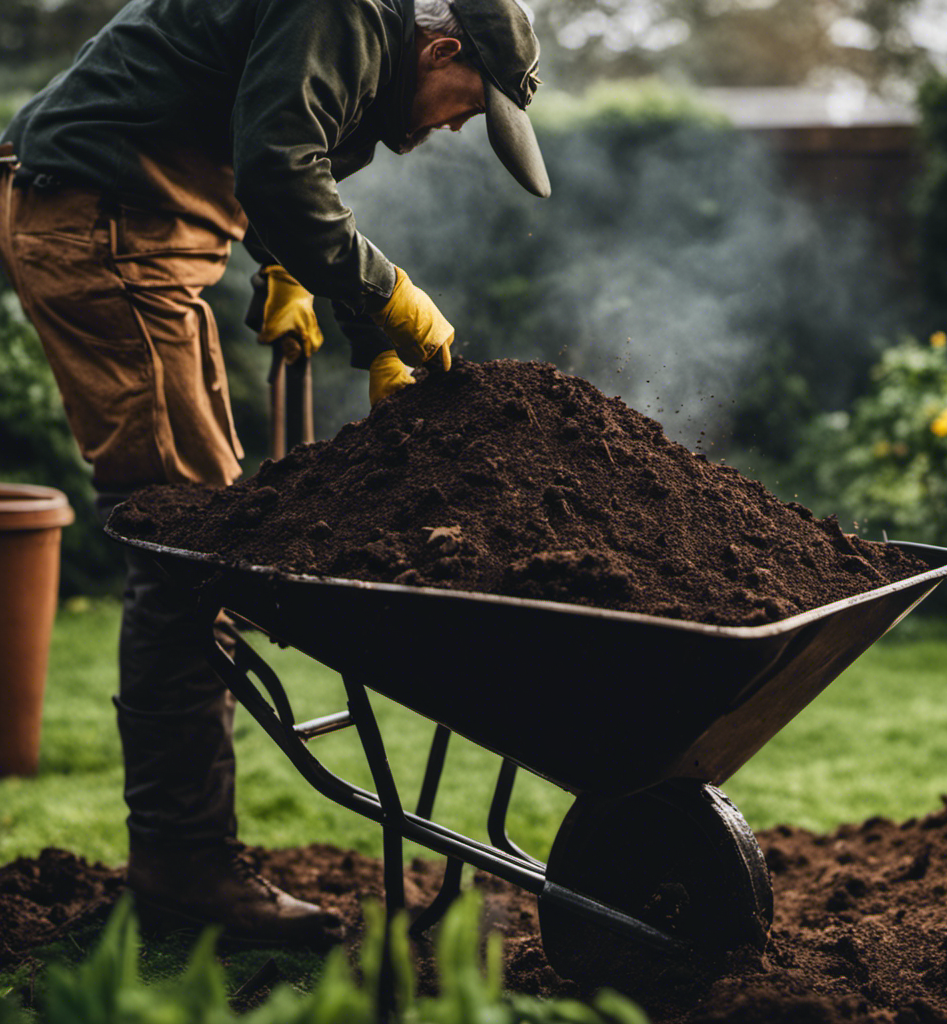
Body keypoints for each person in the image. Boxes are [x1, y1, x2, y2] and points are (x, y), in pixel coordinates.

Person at [0, 0, 550, 945]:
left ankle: (183, 855)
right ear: (444, 48)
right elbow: (278, 164)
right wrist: (391, 295)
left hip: (141, 228)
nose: (460, 125)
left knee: (198, 527)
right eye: (472, 104)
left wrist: (314, 286)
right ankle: (183, 866)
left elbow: (261, 139)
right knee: (180, 542)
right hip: (109, 223)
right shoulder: (339, 8)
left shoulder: (356, 44)